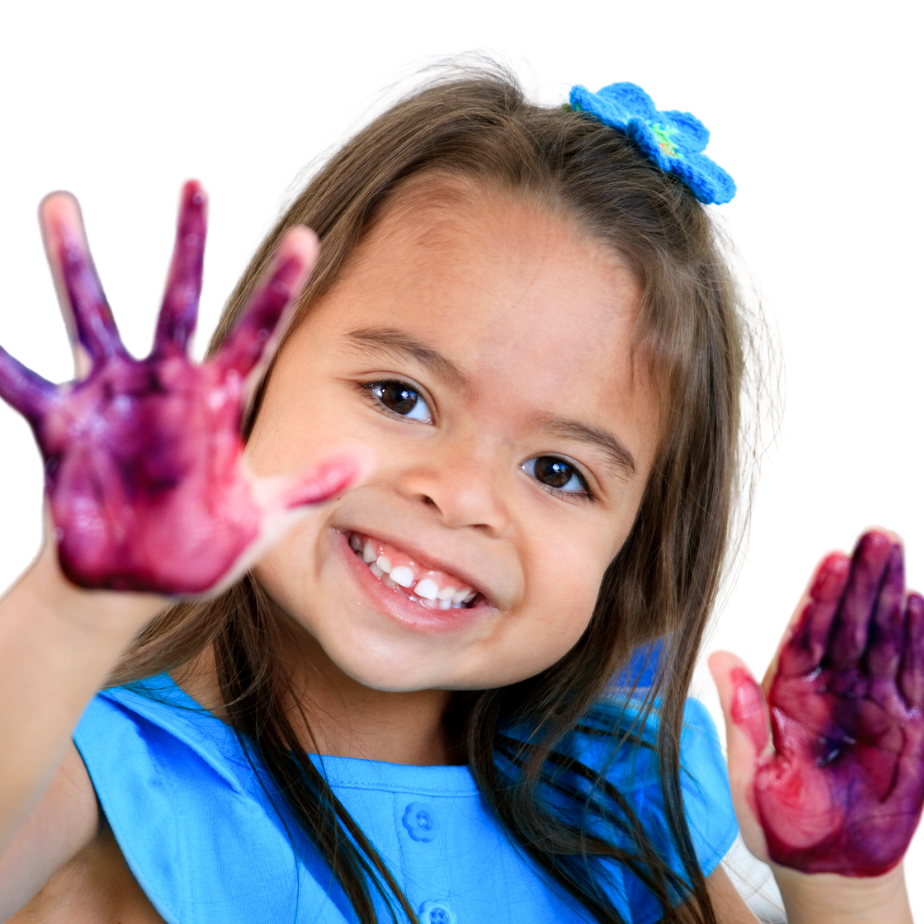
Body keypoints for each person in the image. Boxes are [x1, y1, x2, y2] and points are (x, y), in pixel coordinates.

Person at [0, 46, 919, 924]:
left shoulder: (618, 797)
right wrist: (78, 602)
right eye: (400, 396)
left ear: (632, 551)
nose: (460, 495)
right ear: (254, 376)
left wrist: (846, 890)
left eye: (559, 472)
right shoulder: (99, 766)